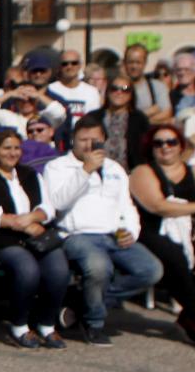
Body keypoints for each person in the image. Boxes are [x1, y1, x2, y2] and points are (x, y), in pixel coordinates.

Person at [40, 115, 163, 345]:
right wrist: (85, 170)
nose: (88, 145)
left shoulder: (114, 168)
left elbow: (126, 205)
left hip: (113, 234)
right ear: (72, 141)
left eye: (94, 140)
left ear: (104, 140)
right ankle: (94, 322)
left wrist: (131, 230)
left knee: (151, 270)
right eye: (83, 140)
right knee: (99, 268)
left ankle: (81, 303)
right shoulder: (57, 167)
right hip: (76, 235)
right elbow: (57, 203)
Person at [0, 129, 70, 350]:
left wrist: (31, 218)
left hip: (35, 234)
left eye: (16, 148)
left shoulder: (30, 174)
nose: (12, 153)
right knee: (27, 269)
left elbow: (47, 207)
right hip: (2, 238)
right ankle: (20, 324)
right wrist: (19, 223)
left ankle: (46, 323)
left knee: (59, 269)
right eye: (7, 148)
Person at [129, 127, 195, 351]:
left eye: (171, 142)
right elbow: (158, 205)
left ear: (181, 146)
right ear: (151, 147)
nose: (166, 147)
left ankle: (188, 315)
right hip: (156, 229)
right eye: (159, 143)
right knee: (174, 258)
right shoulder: (142, 172)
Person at [45, 50, 102, 121]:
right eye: (65, 64)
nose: (69, 67)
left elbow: (93, 119)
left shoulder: (92, 92)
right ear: (59, 66)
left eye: (74, 63)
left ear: (80, 65)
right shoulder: (49, 90)